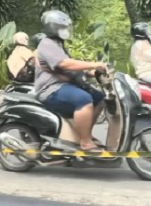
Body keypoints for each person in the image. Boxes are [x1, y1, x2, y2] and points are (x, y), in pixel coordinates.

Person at [34, 11, 108, 151]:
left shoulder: (58, 44)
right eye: (63, 27)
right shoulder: (47, 44)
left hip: (64, 85)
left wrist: (92, 72)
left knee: (99, 99)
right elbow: (64, 64)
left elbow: (73, 69)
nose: (66, 30)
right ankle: (85, 142)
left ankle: (84, 135)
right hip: (51, 89)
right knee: (84, 99)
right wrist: (93, 64)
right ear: (53, 27)